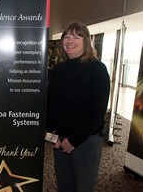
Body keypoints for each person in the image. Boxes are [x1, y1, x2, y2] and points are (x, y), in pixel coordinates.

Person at [46, 21, 110, 192]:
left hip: (85, 140)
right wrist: (52, 134)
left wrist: (73, 140)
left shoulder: (97, 69)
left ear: (86, 42)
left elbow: (96, 112)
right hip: (60, 140)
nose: (69, 41)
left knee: (83, 187)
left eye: (76, 36)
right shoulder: (58, 69)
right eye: (66, 36)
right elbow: (51, 103)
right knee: (64, 186)